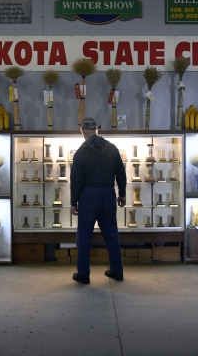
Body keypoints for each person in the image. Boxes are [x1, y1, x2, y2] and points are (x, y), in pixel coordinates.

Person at [70, 117, 126, 284]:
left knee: (85, 236)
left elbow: (76, 180)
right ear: (97, 129)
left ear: (82, 131)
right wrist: (122, 194)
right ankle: (117, 270)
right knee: (111, 234)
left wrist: (74, 202)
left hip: (88, 196)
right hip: (108, 194)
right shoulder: (112, 148)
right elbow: (121, 173)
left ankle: (83, 274)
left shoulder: (81, 152)